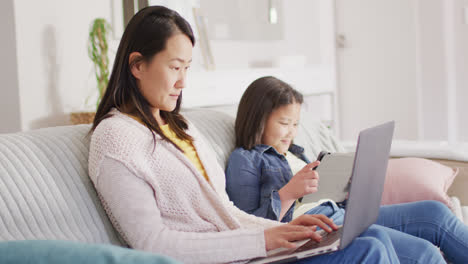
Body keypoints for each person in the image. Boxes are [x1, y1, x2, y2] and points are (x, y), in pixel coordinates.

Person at [88, 5, 403, 264]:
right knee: (370, 249)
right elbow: (152, 244)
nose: (183, 81)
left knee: (372, 236)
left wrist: (287, 231)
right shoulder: (116, 137)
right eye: (174, 67)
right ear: (137, 65)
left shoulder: (182, 127)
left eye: (187, 68)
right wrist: (265, 239)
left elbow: (228, 213)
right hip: (225, 258)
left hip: (249, 251)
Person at [225, 76, 468, 264]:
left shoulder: (295, 152)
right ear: (257, 119)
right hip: (318, 227)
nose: (292, 132)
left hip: (340, 212)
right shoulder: (245, 160)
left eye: (296, 124)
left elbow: (317, 193)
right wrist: (288, 193)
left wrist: (347, 187)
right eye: (284, 123)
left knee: (434, 213)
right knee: (423, 253)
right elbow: (252, 228)